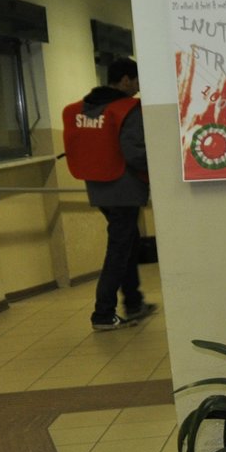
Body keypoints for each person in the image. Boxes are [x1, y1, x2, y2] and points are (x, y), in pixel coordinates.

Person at [61, 57, 157, 331]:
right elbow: (135, 152)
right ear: (125, 80)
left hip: (98, 187)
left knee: (127, 241)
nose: (138, 88)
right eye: (136, 81)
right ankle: (103, 313)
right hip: (124, 187)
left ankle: (134, 301)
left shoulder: (85, 108)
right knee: (119, 247)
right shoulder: (127, 108)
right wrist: (158, 172)